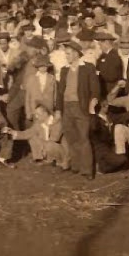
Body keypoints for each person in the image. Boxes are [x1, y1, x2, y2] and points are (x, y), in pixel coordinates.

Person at [55, 39, 100, 178]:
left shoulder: (88, 68)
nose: (66, 56)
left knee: (83, 138)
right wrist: (58, 109)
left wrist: (93, 102)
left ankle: (87, 170)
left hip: (81, 107)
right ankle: (76, 165)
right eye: (66, 54)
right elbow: (60, 91)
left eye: (68, 54)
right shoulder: (64, 70)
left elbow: (95, 89)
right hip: (67, 107)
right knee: (71, 137)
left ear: (76, 54)